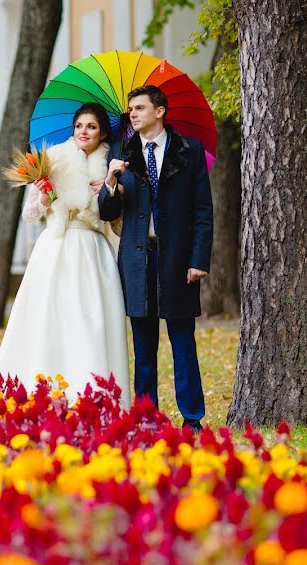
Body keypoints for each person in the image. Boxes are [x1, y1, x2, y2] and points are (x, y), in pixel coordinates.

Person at [0, 102, 130, 410]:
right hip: (56, 246)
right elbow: (30, 214)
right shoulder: (53, 159)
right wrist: (44, 195)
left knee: (90, 321)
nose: (84, 132)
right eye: (80, 126)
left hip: (93, 252)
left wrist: (110, 190)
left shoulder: (112, 164)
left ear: (102, 132)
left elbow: (118, 223)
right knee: (51, 317)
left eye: (91, 127)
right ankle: (45, 389)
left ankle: (92, 393)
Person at [97, 85, 213, 432]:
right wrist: (111, 180)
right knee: (144, 350)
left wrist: (198, 259)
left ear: (160, 111)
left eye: (140, 108)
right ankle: (147, 419)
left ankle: (192, 418)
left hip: (177, 261)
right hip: (136, 260)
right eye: (131, 109)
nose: (132, 114)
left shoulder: (189, 150)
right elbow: (107, 212)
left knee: (182, 343)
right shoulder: (121, 153)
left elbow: (203, 211)